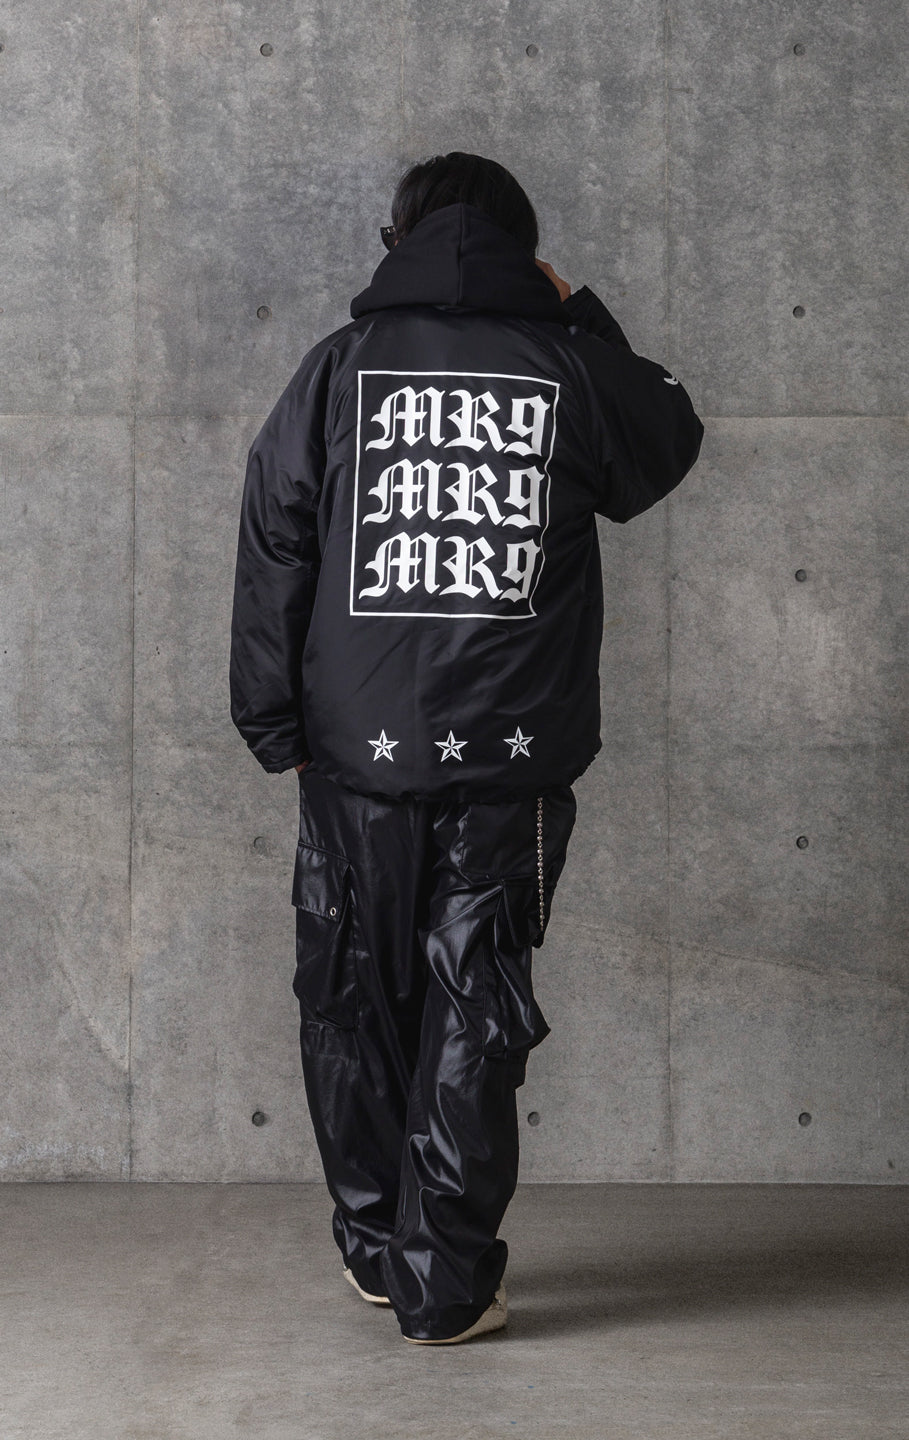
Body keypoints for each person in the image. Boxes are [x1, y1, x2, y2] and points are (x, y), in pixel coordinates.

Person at [229, 151, 704, 1344]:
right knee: (473, 1006)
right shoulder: (568, 369)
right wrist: (576, 312)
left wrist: (272, 721)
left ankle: (378, 1250)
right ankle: (443, 1285)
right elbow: (667, 432)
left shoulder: (339, 367)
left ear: (397, 238)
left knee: (350, 996)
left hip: (353, 753)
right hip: (509, 762)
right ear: (525, 251)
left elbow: (275, 538)